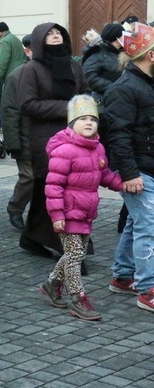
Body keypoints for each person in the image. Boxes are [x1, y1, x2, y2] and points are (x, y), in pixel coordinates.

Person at [39, 95, 122, 320]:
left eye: (92, 119)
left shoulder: (97, 149)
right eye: (82, 118)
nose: (88, 123)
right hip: (67, 212)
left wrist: (122, 184)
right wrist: (56, 214)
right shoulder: (65, 150)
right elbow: (53, 185)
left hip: (86, 212)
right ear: (71, 123)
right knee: (75, 255)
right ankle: (78, 298)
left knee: (75, 253)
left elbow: (103, 175)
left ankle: (51, 283)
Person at [18, 23, 89, 258]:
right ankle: (67, 245)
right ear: (40, 41)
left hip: (75, 136)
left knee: (45, 192)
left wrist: (88, 107)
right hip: (46, 139)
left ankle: (31, 237)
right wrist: (68, 108)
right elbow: (27, 104)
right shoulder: (32, 69)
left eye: (58, 32)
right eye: (49, 34)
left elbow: (85, 93)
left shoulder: (73, 65)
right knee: (59, 191)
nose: (55, 36)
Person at [105, 22, 154, 312]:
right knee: (150, 225)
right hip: (137, 170)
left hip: (147, 165)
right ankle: (148, 288)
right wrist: (130, 174)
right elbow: (118, 136)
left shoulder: (147, 83)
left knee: (138, 223)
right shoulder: (124, 88)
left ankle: (122, 276)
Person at [1, 37, 34, 230]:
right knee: (28, 177)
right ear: (28, 51)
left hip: (48, 140)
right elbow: (10, 111)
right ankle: (16, 207)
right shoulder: (17, 76)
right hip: (24, 137)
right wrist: (13, 142)